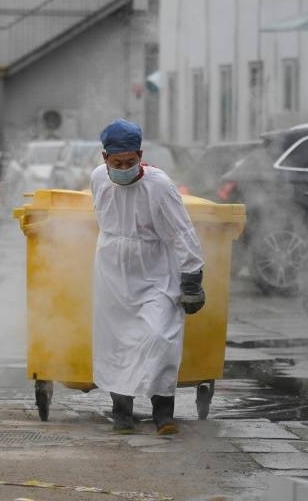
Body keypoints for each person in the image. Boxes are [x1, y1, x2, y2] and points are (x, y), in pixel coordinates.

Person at [90, 118, 206, 435]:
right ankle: (122, 412)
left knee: (160, 337)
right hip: (113, 273)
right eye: (118, 162)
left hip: (155, 272)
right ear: (105, 159)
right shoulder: (99, 178)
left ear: (140, 154)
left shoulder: (159, 185)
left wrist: (192, 277)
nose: (124, 167)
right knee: (116, 343)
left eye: (131, 161)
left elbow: (182, 232)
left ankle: (163, 413)